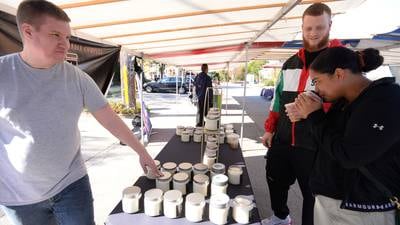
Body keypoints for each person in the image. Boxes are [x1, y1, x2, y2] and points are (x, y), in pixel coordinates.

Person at [0, 1, 161, 225]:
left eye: (67, 37)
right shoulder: (3, 74)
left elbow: (109, 118)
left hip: (71, 184)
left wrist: (142, 152)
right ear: (28, 31)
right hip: (19, 197)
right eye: (56, 35)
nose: (65, 44)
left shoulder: (77, 77)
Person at [292, 47, 400, 225]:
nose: (316, 89)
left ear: (339, 74)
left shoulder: (386, 99)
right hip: (332, 202)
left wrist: (315, 116)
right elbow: (330, 142)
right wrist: (307, 116)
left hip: (362, 210)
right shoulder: (344, 100)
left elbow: (350, 155)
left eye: (317, 81)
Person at [261, 3, 341, 225]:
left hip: (316, 143)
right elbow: (277, 100)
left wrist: (313, 110)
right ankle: (281, 216)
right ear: (302, 28)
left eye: (319, 27)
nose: (313, 33)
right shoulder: (290, 63)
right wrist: (269, 129)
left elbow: (348, 102)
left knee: (312, 195)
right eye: (308, 28)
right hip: (284, 138)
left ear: (330, 26)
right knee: (274, 179)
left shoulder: (340, 60)